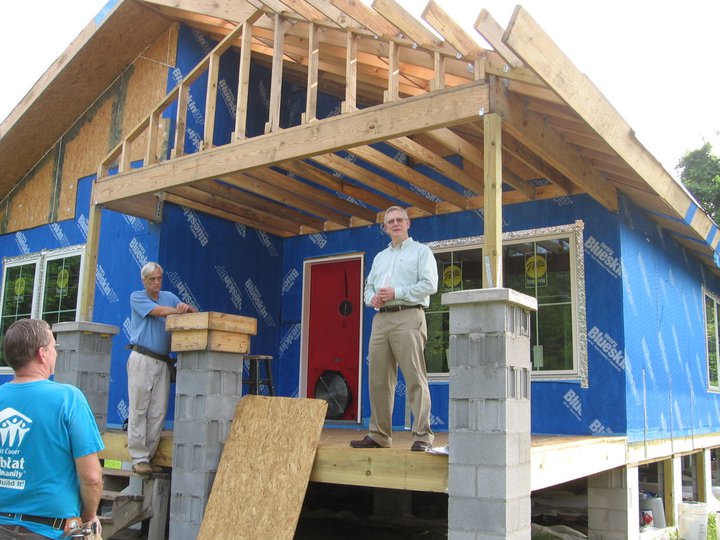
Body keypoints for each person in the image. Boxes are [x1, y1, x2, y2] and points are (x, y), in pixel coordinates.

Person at [0, 319, 103, 539]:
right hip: (48, 531)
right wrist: (89, 516)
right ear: (42, 353)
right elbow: (91, 477)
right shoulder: (68, 398)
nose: (56, 353)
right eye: (54, 347)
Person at [351, 206, 438, 451]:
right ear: (385, 228)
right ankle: (379, 435)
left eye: (400, 220)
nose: (396, 224)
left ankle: (422, 436)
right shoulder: (380, 257)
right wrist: (372, 300)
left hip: (409, 315)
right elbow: (368, 287)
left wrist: (397, 293)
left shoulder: (422, 252)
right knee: (378, 379)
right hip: (381, 319)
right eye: (391, 222)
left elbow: (430, 285)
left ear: (408, 223)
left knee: (414, 377)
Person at [127, 262, 197, 475]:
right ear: (144, 281)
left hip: (162, 361)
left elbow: (192, 313)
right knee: (139, 408)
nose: (156, 282)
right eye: (152, 279)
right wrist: (179, 310)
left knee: (158, 411)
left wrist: (188, 309)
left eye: (159, 278)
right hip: (142, 358)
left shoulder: (170, 297)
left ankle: (148, 457)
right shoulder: (137, 297)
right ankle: (138, 458)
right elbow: (158, 311)